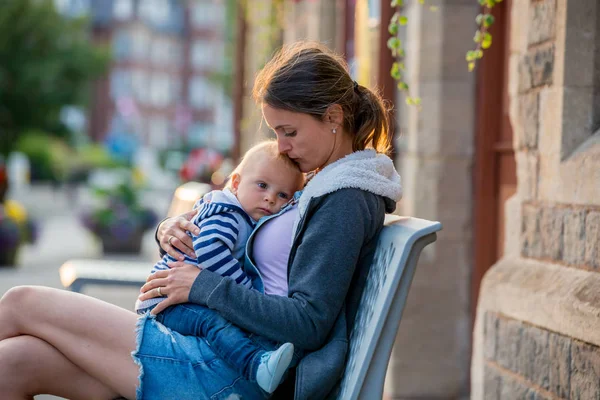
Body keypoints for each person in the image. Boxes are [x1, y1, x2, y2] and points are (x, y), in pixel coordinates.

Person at [0, 41, 402, 400]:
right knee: (14, 362)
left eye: (289, 131)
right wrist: (172, 229)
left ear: (333, 116)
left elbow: (308, 322)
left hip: (234, 372)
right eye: (277, 133)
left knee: (22, 302)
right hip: (214, 350)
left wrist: (203, 286)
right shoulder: (319, 183)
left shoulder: (344, 199)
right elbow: (239, 227)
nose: (281, 146)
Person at [135, 140, 305, 394]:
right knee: (212, 324)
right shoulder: (229, 214)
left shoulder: (241, 212)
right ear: (236, 183)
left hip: (180, 297)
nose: (270, 198)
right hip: (167, 301)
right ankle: (254, 365)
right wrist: (245, 289)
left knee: (215, 323)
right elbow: (209, 249)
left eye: (283, 195)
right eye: (262, 186)